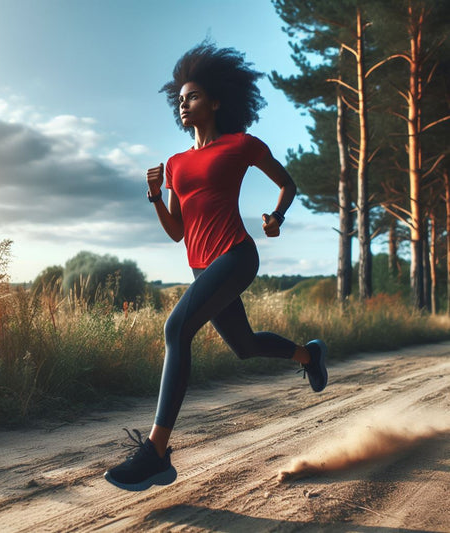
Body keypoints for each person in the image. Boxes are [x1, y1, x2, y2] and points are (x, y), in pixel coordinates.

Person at [104, 42, 328, 492]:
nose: (184, 104)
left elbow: (287, 182)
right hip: (201, 266)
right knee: (243, 346)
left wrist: (276, 217)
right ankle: (309, 354)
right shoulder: (175, 163)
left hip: (237, 255)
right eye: (180, 99)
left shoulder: (240, 145)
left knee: (175, 331)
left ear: (217, 101)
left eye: (193, 96)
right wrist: (153, 197)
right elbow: (176, 232)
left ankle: (156, 453)